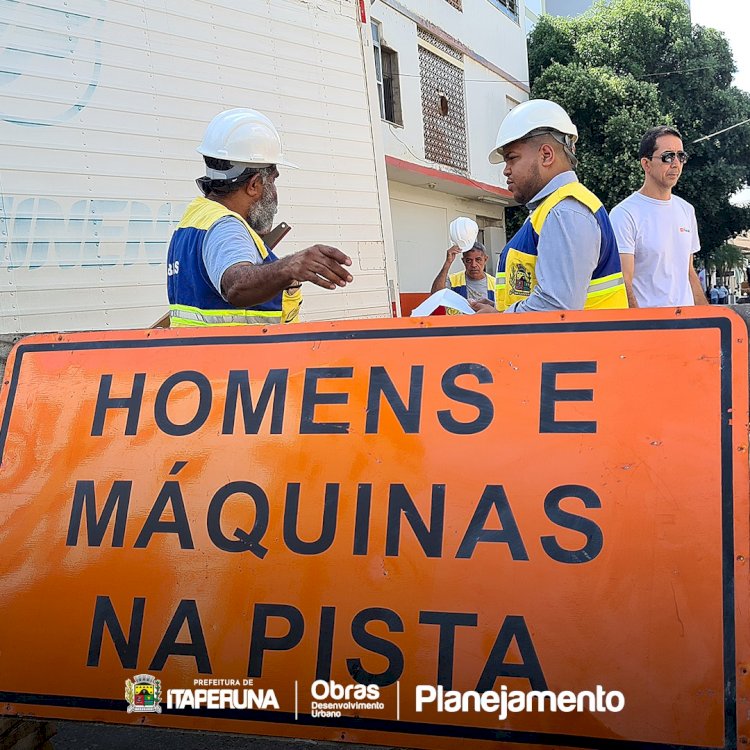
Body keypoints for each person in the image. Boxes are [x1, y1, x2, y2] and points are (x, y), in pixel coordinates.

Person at [167, 108, 353, 327]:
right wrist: (289, 267)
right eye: (272, 181)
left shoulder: (195, 219)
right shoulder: (226, 227)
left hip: (202, 358)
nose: (274, 191)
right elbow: (235, 284)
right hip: (238, 360)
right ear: (254, 184)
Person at [474, 99, 627, 313]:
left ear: (546, 155)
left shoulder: (565, 211)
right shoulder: (553, 209)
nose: (506, 170)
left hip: (579, 347)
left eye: (512, 158)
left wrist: (497, 320)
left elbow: (556, 308)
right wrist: (501, 310)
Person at [610, 126, 708, 308]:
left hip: (686, 326)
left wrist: (708, 322)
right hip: (651, 328)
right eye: (668, 157)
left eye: (681, 156)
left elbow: (689, 272)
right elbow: (624, 282)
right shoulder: (624, 214)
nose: (676, 163)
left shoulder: (686, 210)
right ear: (646, 164)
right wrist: (639, 328)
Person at [430, 241, 495, 308]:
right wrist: (448, 262)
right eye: (469, 261)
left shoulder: (495, 283)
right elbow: (435, 296)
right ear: (463, 261)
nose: (473, 265)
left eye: (478, 260)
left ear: (485, 259)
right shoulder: (453, 280)